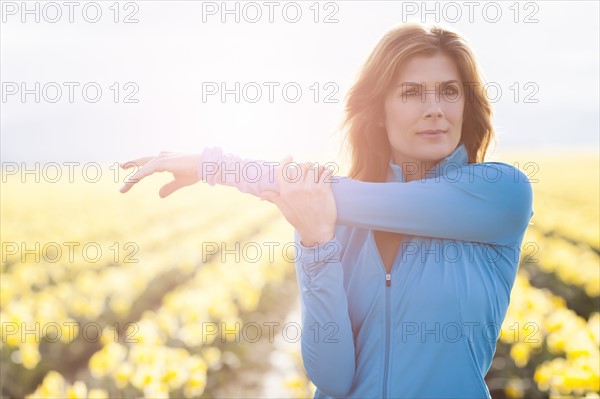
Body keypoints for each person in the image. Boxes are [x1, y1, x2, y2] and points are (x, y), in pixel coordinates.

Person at [119, 22, 534, 399]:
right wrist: (317, 245)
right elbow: (333, 378)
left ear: (466, 104)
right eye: (411, 92)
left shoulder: (500, 192)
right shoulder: (327, 215)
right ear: (377, 113)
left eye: (449, 91)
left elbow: (349, 196)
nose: (435, 109)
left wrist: (212, 164)